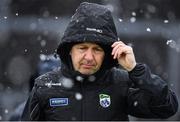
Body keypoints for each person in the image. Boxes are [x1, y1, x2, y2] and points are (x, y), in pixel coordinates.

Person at [21, 2, 178, 121]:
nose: (89, 57)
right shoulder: (45, 86)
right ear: (69, 50)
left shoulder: (121, 83)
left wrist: (136, 70)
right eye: (82, 48)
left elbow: (167, 107)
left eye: (97, 50)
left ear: (108, 54)